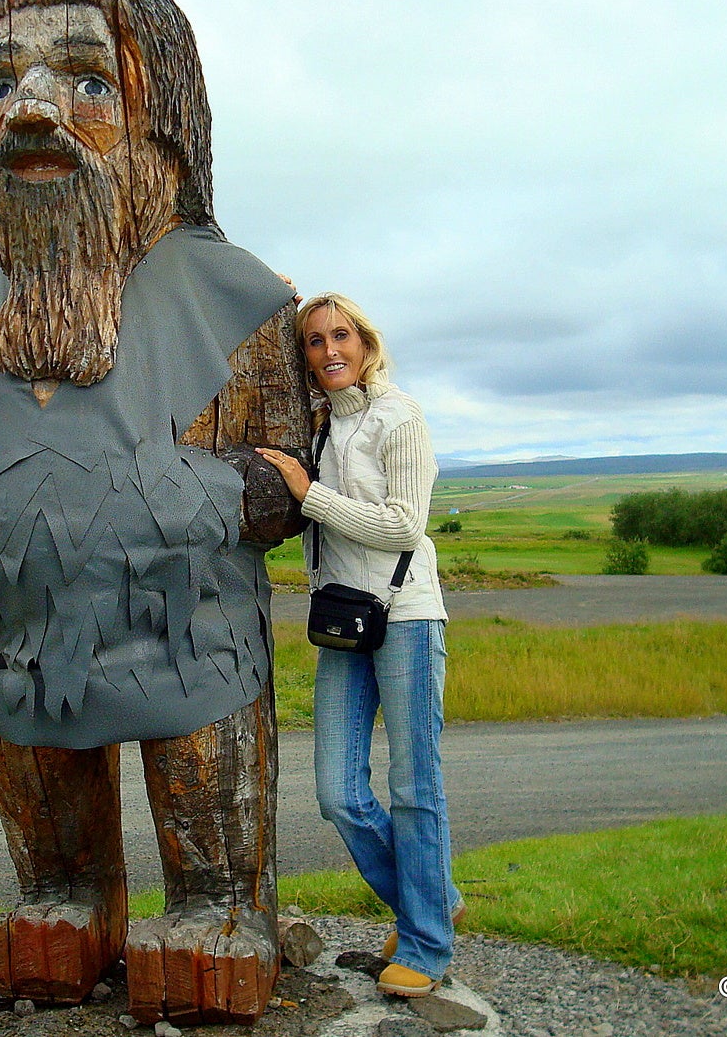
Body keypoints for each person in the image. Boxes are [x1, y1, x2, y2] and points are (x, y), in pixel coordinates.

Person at [0, 0, 311, 1026]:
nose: (32, 109)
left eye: (84, 82)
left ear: (161, 119)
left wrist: (168, 496)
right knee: (31, 729)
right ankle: (64, 895)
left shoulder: (234, 293)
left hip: (188, 634)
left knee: (197, 734)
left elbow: (285, 474)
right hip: (24, 628)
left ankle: (220, 902)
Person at [256, 292, 462, 999]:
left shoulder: (398, 416)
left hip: (406, 615)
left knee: (414, 785)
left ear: (365, 343)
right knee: (338, 792)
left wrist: (308, 493)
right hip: (345, 621)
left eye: (339, 335)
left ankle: (428, 943)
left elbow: (405, 526)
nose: (328, 350)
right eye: (314, 341)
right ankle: (431, 896)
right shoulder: (318, 423)